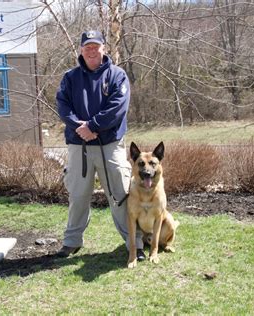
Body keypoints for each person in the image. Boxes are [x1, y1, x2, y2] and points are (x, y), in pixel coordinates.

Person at [56, 30, 144, 259]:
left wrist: (92, 127)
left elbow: (117, 108)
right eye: (87, 47)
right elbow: (63, 106)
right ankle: (72, 242)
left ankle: (135, 243)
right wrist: (80, 127)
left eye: (96, 46)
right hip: (79, 147)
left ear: (104, 48)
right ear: (81, 50)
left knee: (120, 195)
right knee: (77, 196)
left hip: (110, 145)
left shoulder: (117, 75)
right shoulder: (70, 77)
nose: (92, 50)